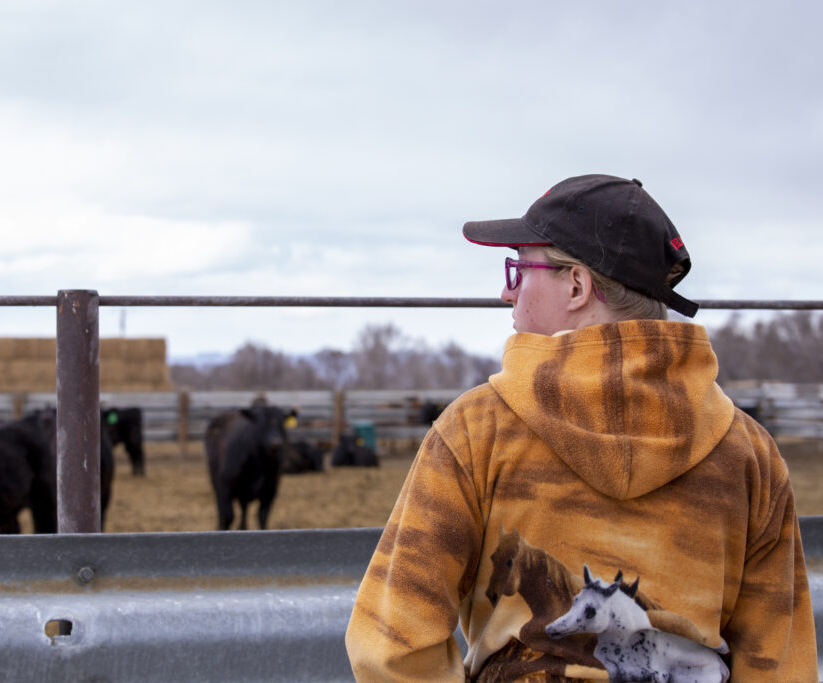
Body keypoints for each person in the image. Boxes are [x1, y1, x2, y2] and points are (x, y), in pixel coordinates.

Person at [345, 174, 818, 681]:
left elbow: (390, 645)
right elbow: (780, 663)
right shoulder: (747, 453)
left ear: (576, 284)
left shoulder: (477, 430)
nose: (507, 293)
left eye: (518, 270)